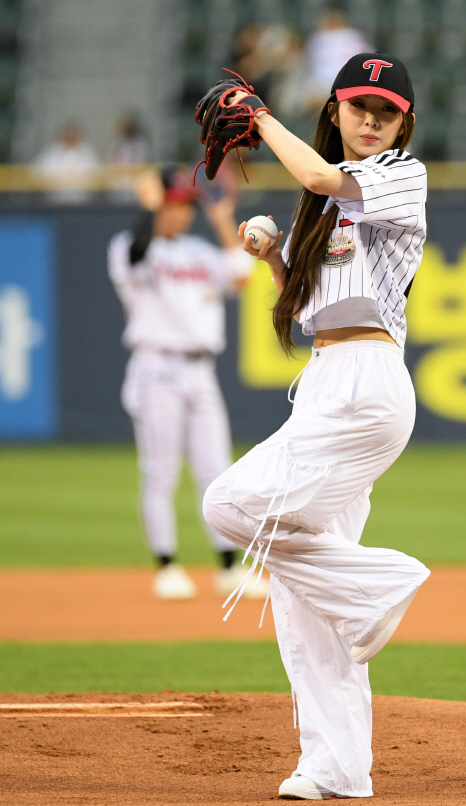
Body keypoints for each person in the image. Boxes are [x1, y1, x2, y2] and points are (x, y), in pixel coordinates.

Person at [202, 53, 430, 799]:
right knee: (304, 606)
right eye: (359, 105)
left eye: (386, 110)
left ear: (403, 124)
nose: (371, 118)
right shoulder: (316, 212)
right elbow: (303, 321)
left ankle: (384, 582)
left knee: (228, 506)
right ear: (334, 110)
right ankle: (335, 768)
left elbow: (325, 177)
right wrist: (272, 259)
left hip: (368, 383)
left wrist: (260, 116)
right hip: (330, 377)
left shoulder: (400, 174)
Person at [108, 165, 269, 601]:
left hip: (201, 371)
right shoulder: (130, 247)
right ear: (159, 207)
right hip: (156, 369)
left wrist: (221, 222)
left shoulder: (198, 252)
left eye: (184, 206)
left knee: (215, 471)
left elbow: (241, 275)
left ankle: (227, 566)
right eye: (173, 205)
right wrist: (150, 208)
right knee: (160, 472)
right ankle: (166, 565)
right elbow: (136, 254)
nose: (180, 213)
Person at [32, 122, 100, 204]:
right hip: (54, 202)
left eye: (73, 135)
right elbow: (35, 173)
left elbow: (98, 175)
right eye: (68, 135)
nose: (70, 138)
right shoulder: (51, 152)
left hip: (82, 203)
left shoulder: (88, 152)